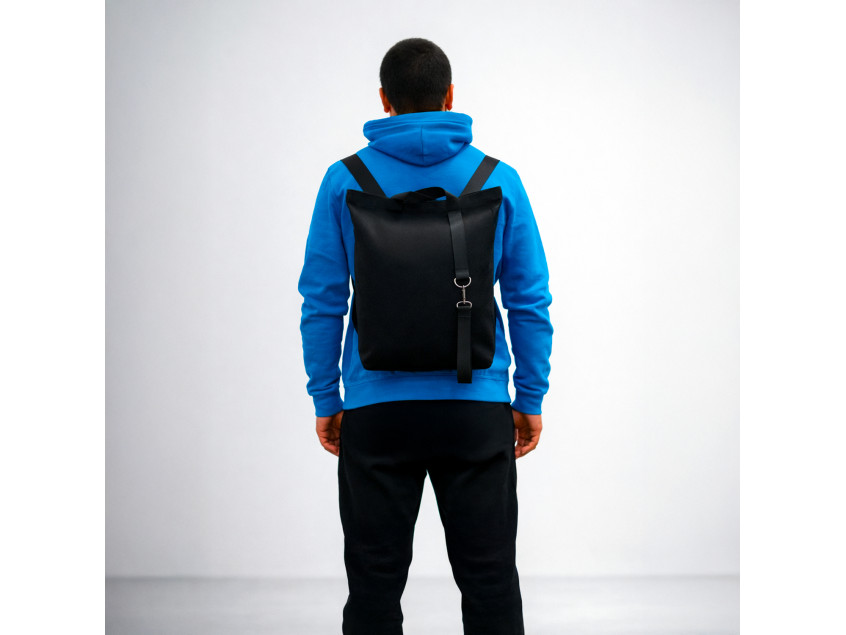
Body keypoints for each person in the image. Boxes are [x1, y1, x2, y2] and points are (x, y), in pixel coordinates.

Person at [298, 37, 553, 635]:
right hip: (476, 408)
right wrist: (530, 396)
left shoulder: (344, 180)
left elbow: (323, 303)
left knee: (374, 581)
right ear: (450, 96)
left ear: (384, 100)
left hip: (377, 411)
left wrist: (327, 398)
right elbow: (529, 301)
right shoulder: (498, 178)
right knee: (490, 579)